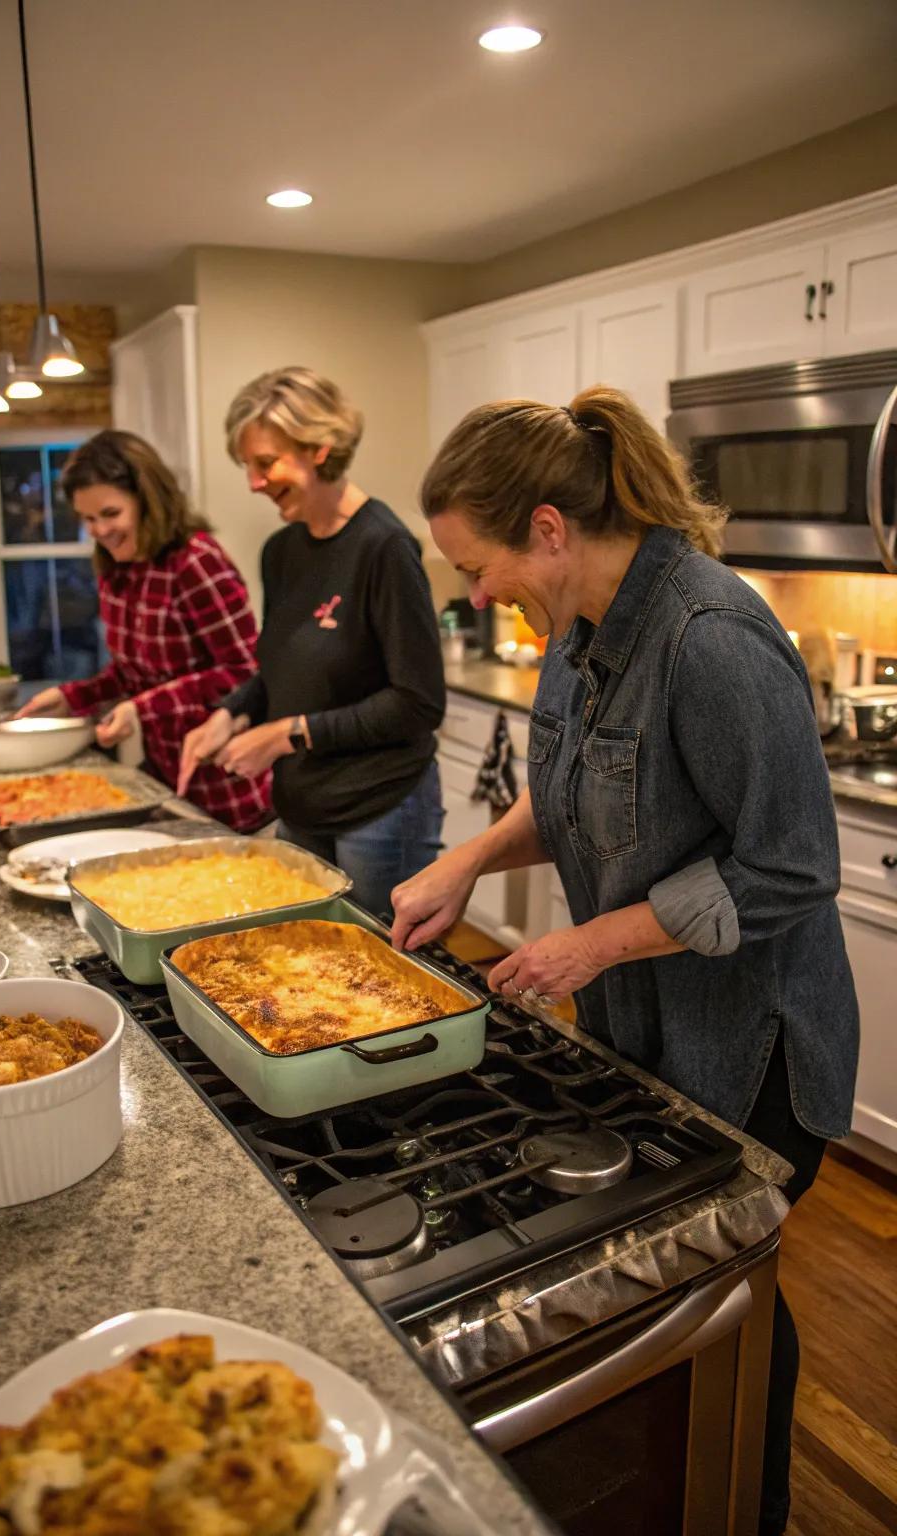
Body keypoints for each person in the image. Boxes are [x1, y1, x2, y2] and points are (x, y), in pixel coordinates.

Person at [390, 387, 859, 1536]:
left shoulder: (712, 639)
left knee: (726, 1279)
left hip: (749, 1040)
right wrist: (468, 865)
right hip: (641, 1021)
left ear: (548, 529)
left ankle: (746, 1508)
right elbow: (567, 797)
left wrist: (591, 941)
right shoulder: (579, 632)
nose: (473, 592)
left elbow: (795, 870)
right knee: (665, 1273)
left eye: (477, 565)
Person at [178, 367, 444, 917]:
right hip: (302, 808)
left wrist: (288, 735)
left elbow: (418, 704)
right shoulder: (282, 551)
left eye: (265, 463)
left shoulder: (385, 547)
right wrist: (230, 714)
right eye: (246, 466)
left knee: (378, 979)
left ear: (320, 449)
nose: (253, 482)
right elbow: (282, 669)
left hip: (379, 812)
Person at [18, 429, 269, 831]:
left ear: (147, 501)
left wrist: (142, 708)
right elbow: (133, 672)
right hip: (166, 782)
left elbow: (244, 672)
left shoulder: (196, 562)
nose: (99, 530)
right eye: (88, 519)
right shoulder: (117, 567)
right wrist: (73, 697)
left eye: (110, 514)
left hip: (230, 788)